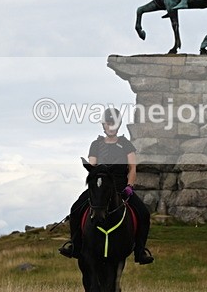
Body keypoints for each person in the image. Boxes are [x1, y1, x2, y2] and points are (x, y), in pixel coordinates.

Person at [59, 108, 154, 264]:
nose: (111, 126)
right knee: (75, 209)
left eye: (114, 123)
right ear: (103, 125)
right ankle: (75, 246)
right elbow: (92, 165)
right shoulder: (96, 144)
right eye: (108, 123)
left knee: (144, 214)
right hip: (100, 188)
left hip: (121, 188)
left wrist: (129, 186)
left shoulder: (126, 144)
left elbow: (132, 167)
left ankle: (140, 251)